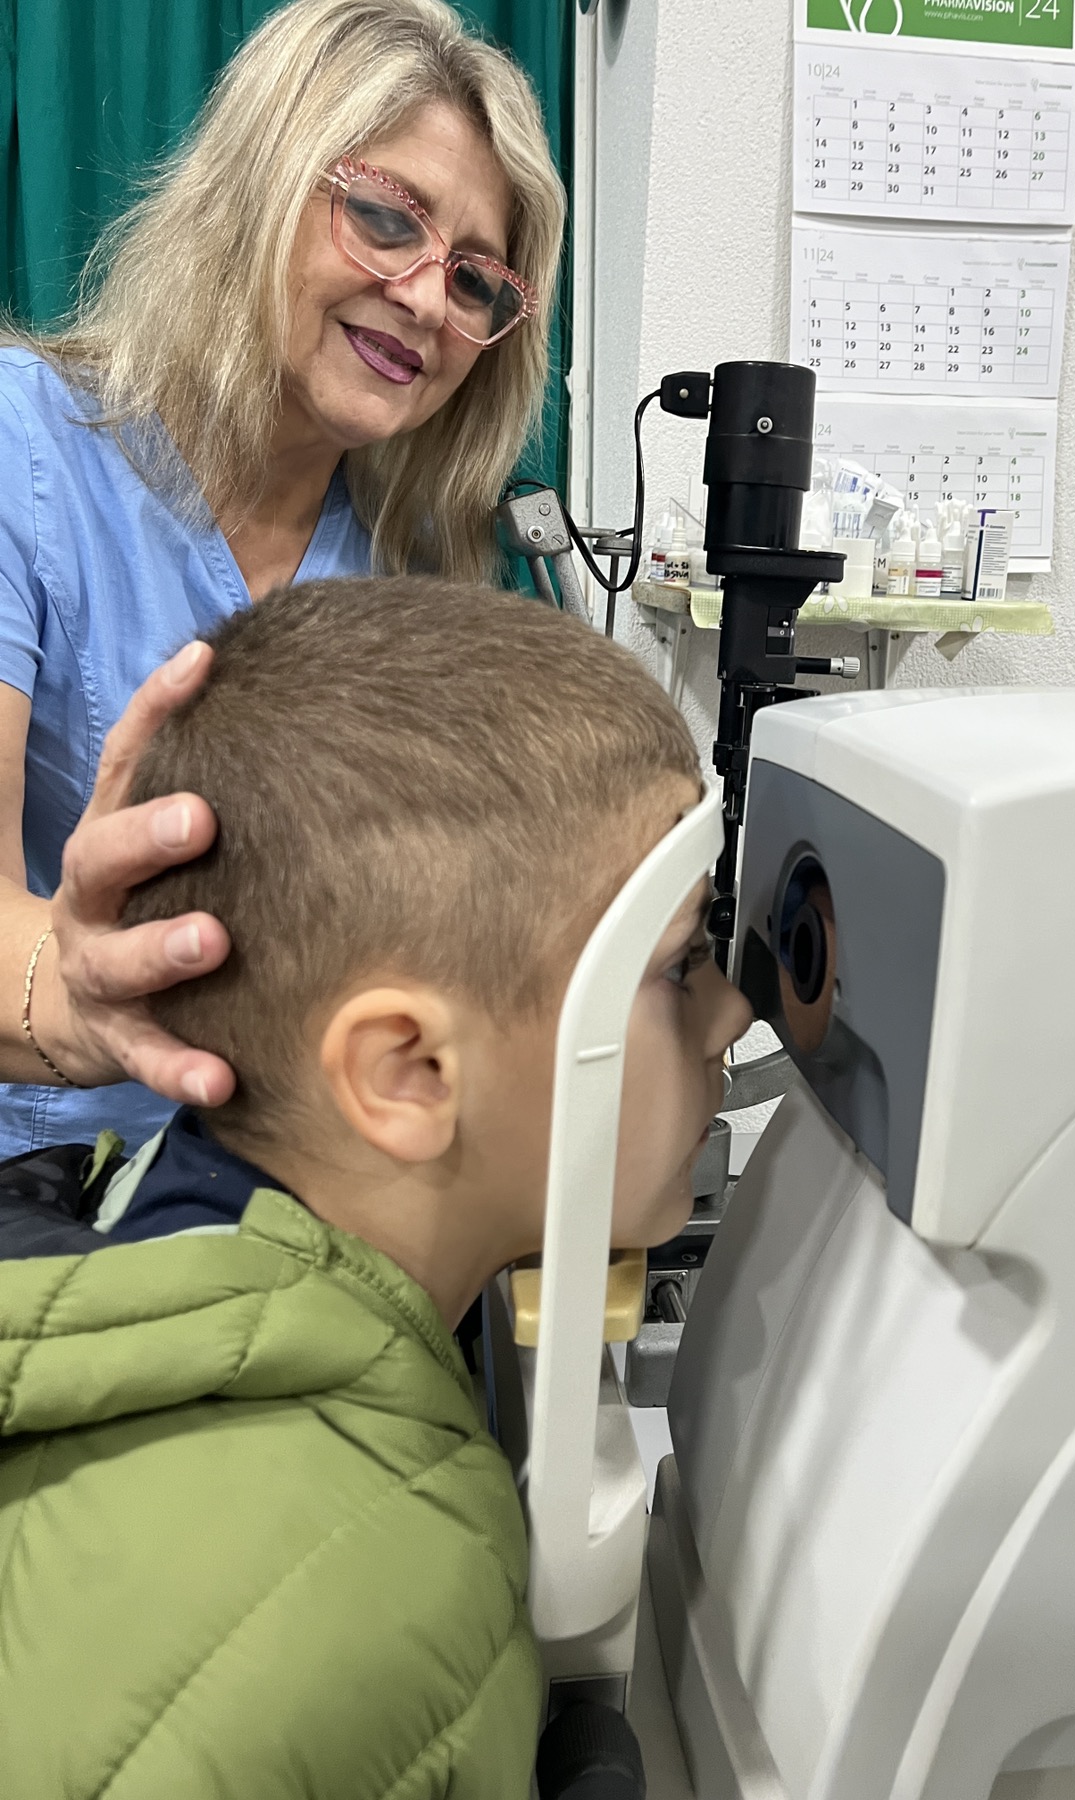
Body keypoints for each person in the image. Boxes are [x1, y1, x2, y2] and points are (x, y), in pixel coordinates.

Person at [0, 576, 752, 1799]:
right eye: (675, 966)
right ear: (406, 1072)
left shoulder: (112, 1219)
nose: (727, 1012)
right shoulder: (387, 1591)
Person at [0, 0, 564, 1158]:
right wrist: (83, 996)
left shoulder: (407, 580)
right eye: (381, 217)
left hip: (296, 1197)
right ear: (260, 182)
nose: (422, 300)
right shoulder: (27, 458)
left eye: (474, 282)